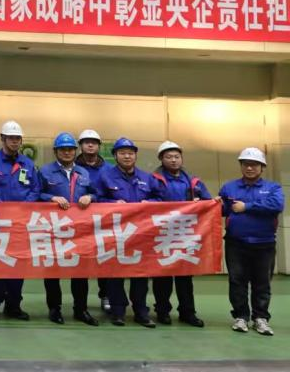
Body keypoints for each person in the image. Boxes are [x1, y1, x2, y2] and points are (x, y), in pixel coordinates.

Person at [92, 137, 165, 327]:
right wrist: (112, 203)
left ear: (135, 155)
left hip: (141, 233)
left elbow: (160, 198)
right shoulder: (105, 177)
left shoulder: (147, 178)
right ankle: (118, 312)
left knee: (140, 274)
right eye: (122, 153)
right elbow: (96, 200)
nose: (127, 156)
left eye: (130, 153)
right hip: (115, 233)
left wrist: (150, 203)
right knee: (115, 274)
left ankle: (141, 311)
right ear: (115, 155)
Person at [218, 147, 284, 336]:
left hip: (264, 244)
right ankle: (241, 317)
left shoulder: (273, 188)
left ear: (262, 167)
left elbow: (276, 205)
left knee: (262, 283)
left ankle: (260, 318)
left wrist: (247, 206)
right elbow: (222, 210)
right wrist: (211, 203)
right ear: (241, 166)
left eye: (254, 165)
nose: (249, 168)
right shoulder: (229, 187)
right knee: (236, 281)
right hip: (236, 243)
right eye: (246, 164)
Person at [0, 120, 39, 320]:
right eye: (11, 138)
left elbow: (35, 189)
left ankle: (14, 305)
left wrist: (23, 207)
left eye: (17, 138)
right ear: (2, 139)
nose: (15, 141)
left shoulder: (27, 164)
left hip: (21, 222)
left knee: (17, 264)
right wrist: (1, 206)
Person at [39, 133, 99, 326]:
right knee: (53, 271)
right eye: (63, 150)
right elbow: (35, 193)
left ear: (75, 151)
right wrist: (51, 198)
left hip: (79, 230)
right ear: (56, 151)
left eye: (70, 149)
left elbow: (96, 194)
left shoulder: (83, 173)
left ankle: (81, 309)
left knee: (80, 271)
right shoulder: (45, 171)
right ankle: (54, 309)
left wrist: (90, 197)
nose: (67, 153)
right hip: (53, 228)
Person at [151, 141, 210, 327]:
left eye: (176, 156)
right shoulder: (153, 179)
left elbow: (208, 202)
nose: (173, 160)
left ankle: (187, 312)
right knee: (162, 276)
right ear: (161, 159)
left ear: (181, 158)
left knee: (185, 277)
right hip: (162, 233)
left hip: (185, 233)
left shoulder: (193, 181)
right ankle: (162, 311)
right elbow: (146, 200)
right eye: (168, 157)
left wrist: (204, 203)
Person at [76, 129, 111, 314]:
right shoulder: (72, 167)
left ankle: (106, 295)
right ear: (80, 146)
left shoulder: (109, 169)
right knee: (80, 261)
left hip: (103, 221)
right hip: (78, 222)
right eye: (86, 142)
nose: (90, 145)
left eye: (94, 142)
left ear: (99, 146)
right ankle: (80, 303)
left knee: (105, 259)